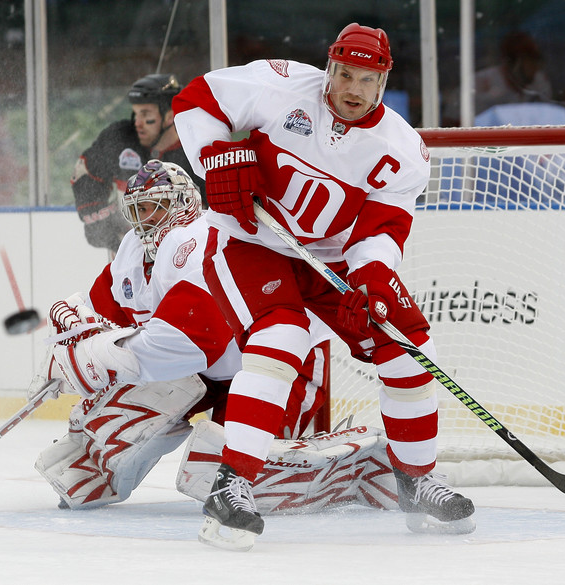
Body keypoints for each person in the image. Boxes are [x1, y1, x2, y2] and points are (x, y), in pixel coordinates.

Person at [172, 22, 476, 550]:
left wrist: (373, 277)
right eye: (345, 75)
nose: (353, 90)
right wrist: (214, 157)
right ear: (328, 68)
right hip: (248, 240)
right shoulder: (279, 85)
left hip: (329, 260)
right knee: (280, 337)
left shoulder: (403, 149)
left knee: (409, 347)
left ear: (383, 82)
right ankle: (232, 486)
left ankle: (417, 480)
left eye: (367, 79)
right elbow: (195, 100)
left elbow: (380, 230)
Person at [35, 160, 339, 510]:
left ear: (183, 204)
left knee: (227, 476)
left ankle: (344, 473)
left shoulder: (199, 240)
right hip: (209, 368)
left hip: (276, 362)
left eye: (153, 208)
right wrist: (71, 339)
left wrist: (89, 361)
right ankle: (98, 467)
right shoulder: (132, 253)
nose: (144, 220)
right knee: (131, 398)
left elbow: (191, 345)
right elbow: (103, 317)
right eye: (137, 210)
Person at [70, 74, 205, 255]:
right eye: (136, 113)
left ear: (169, 116)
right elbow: (84, 174)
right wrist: (106, 225)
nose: (138, 123)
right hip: (130, 258)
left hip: (184, 256)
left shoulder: (195, 147)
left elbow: (211, 216)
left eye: (146, 115)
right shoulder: (120, 138)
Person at [473, 30, 553, 117]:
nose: (535, 66)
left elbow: (549, 116)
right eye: (530, 59)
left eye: (537, 59)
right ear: (514, 62)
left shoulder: (539, 80)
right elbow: (462, 122)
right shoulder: (482, 81)